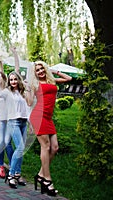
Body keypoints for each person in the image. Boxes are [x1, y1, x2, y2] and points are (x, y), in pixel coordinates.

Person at [27, 61, 72, 196]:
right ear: (34, 73)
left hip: (48, 117)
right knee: (45, 147)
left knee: (55, 148)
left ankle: (41, 175)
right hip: (38, 117)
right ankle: (47, 180)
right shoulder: (34, 84)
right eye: (37, 70)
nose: (40, 71)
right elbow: (29, 102)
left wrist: (53, 71)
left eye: (42, 69)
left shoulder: (51, 81)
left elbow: (68, 79)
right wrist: (27, 89)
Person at [4, 71, 28, 189]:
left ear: (19, 80)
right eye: (11, 80)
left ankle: (17, 174)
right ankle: (11, 175)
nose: (13, 82)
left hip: (24, 121)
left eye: (15, 79)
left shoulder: (23, 92)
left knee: (21, 149)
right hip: (13, 121)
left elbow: (28, 106)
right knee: (20, 147)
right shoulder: (8, 92)